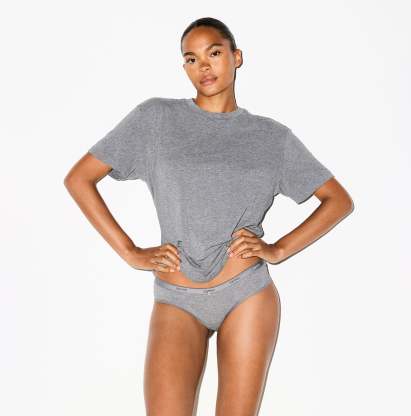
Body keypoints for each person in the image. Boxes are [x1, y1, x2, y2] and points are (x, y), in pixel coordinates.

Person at [64, 16, 354, 416]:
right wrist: (130, 252)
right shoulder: (156, 119)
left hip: (246, 293)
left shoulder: (271, 137)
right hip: (177, 297)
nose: (203, 66)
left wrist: (278, 249)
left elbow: (338, 200)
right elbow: (79, 179)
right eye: (191, 58)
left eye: (214, 53)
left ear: (237, 57)